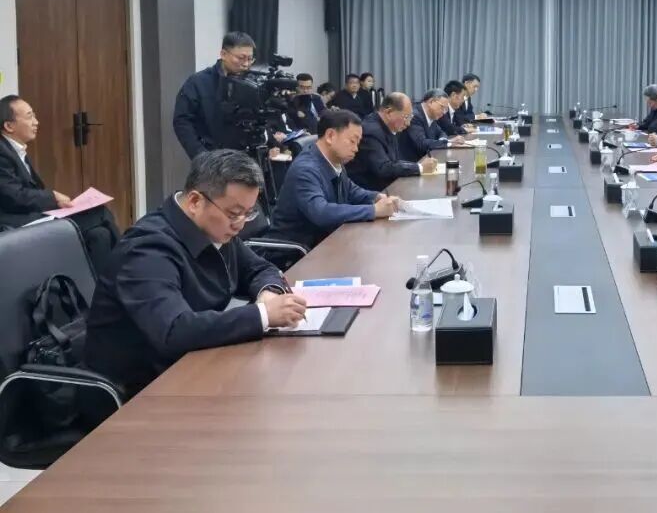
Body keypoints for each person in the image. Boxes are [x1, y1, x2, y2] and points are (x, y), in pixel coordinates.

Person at [85, 150, 308, 395]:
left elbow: (260, 268)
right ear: (194, 202)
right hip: (140, 389)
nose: (240, 224)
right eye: (234, 214)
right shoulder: (147, 250)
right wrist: (263, 314)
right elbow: (174, 331)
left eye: (248, 213)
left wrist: (268, 293)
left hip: (192, 364)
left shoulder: (214, 228)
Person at [0, 94, 121, 272]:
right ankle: (129, 265)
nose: (36, 122)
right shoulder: (2, 153)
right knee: (99, 212)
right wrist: (53, 197)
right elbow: (14, 196)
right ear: (9, 126)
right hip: (16, 224)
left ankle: (106, 285)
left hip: (31, 215)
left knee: (99, 235)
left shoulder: (14, 150)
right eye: (29, 117)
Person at [269, 111, 400, 248]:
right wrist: (374, 210)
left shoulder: (334, 160)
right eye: (352, 141)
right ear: (330, 136)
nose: (356, 149)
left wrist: (377, 197)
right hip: (296, 252)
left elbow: (350, 190)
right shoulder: (305, 169)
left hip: (325, 242)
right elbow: (321, 212)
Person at [173, 31, 264, 158]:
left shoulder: (254, 83)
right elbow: (182, 121)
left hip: (247, 157)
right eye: (241, 58)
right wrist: (200, 154)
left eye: (250, 59)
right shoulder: (198, 82)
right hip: (211, 157)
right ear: (223, 54)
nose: (246, 64)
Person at [351, 92, 438, 191]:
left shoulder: (388, 126)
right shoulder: (372, 131)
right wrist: (419, 167)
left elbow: (394, 161)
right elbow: (383, 168)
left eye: (410, 117)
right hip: (372, 191)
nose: (408, 123)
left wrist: (417, 166)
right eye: (406, 117)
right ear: (389, 112)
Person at [400, 90, 463, 162]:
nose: (443, 112)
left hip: (426, 159)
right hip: (412, 162)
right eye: (442, 107)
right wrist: (449, 143)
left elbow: (441, 132)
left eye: (445, 109)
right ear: (431, 102)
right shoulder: (415, 116)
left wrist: (442, 141)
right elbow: (422, 143)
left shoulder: (432, 115)